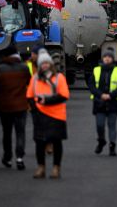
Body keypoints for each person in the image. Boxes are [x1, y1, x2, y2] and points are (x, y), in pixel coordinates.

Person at [26, 51, 70, 179]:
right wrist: (34, 110)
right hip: (40, 115)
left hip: (57, 115)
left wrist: (47, 101)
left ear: (51, 64)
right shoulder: (35, 79)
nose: (44, 65)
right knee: (39, 142)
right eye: (42, 64)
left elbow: (64, 96)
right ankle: (41, 167)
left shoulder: (59, 78)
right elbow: (29, 96)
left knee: (57, 142)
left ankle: (56, 168)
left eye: (47, 63)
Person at [0, 46, 31, 171]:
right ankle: (19, 158)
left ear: (5, 56)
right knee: (20, 132)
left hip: (5, 107)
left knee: (7, 133)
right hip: (21, 106)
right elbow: (29, 82)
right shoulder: (24, 68)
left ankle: (7, 157)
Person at [88, 50, 117, 157]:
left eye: (109, 57)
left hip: (113, 102)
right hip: (99, 102)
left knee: (111, 125)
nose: (107, 58)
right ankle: (101, 141)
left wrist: (110, 96)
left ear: (112, 59)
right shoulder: (96, 70)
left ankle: (112, 146)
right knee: (100, 124)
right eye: (105, 57)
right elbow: (91, 86)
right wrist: (100, 95)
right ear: (103, 59)